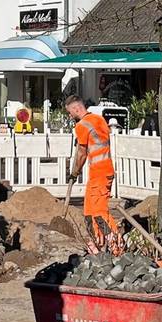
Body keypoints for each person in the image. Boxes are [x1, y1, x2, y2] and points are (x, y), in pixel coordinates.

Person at [65, 96, 118, 246]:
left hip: (99, 174)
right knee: (89, 211)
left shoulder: (82, 125)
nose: (70, 116)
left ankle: (116, 246)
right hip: (103, 172)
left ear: (77, 109)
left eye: (70, 112)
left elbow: (81, 153)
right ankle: (99, 244)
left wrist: (74, 173)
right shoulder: (99, 120)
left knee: (99, 213)